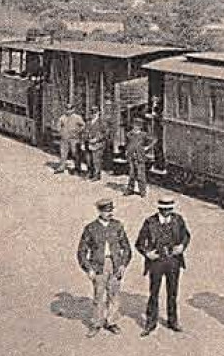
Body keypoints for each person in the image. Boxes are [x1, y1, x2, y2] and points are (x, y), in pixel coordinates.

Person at [76, 197, 132, 336]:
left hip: (115, 265)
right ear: (99, 212)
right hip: (98, 266)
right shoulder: (91, 228)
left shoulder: (118, 226)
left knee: (114, 295)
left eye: (111, 210)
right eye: (107, 211)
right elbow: (82, 251)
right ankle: (96, 323)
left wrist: (123, 264)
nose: (110, 213)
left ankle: (111, 321)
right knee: (98, 295)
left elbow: (127, 248)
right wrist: (88, 268)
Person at [135, 197, 190, 335]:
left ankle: (173, 321)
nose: (167, 212)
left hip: (173, 261)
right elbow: (139, 242)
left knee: (172, 293)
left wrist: (182, 246)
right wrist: (147, 253)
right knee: (154, 292)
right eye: (164, 210)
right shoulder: (150, 222)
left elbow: (186, 236)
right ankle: (150, 323)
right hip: (156, 262)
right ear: (159, 209)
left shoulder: (178, 220)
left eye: (169, 209)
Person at [124, 117, 150, 197]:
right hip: (131, 156)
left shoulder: (144, 135)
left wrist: (147, 148)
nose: (135, 127)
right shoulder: (129, 134)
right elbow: (127, 144)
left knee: (141, 175)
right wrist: (127, 151)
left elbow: (153, 140)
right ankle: (130, 189)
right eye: (134, 126)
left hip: (140, 157)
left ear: (140, 127)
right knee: (131, 174)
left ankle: (142, 191)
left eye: (137, 126)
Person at [56, 104, 85, 176]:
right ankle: (62, 167)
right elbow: (58, 126)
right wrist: (61, 132)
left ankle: (77, 168)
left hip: (74, 139)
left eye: (70, 109)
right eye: (67, 109)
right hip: (64, 138)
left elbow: (83, 125)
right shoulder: (62, 117)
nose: (68, 111)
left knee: (75, 153)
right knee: (63, 153)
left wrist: (78, 131)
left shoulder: (77, 117)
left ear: (73, 109)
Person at [82, 108, 108, 181]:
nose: (93, 114)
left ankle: (97, 175)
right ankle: (90, 173)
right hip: (88, 143)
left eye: (95, 112)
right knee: (88, 160)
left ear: (98, 113)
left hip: (98, 144)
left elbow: (106, 133)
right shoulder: (88, 122)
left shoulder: (102, 122)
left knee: (96, 160)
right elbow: (84, 133)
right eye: (92, 112)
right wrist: (83, 143)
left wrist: (97, 139)